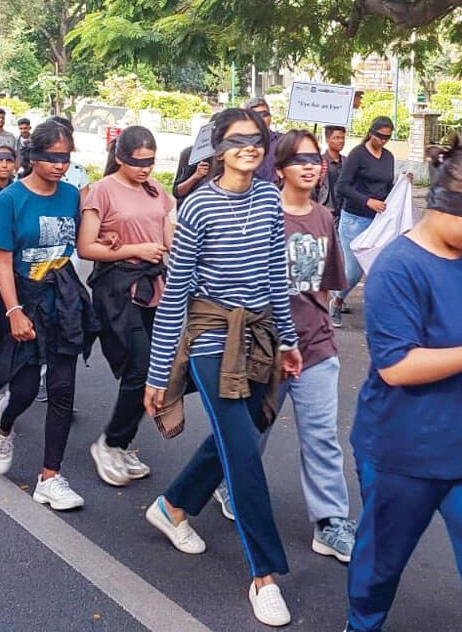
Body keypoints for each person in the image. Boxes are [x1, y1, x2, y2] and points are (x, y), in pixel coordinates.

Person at [346, 141, 462, 632]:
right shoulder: (397, 267)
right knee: (379, 567)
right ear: (444, 201)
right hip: (403, 455)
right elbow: (395, 367)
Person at [142, 108, 302, 628]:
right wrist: (158, 374)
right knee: (245, 456)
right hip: (212, 339)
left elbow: (276, 274)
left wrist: (288, 340)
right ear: (217, 147)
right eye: (237, 140)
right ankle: (264, 577)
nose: (250, 147)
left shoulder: (269, 199)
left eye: (257, 139)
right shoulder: (196, 207)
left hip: (259, 338)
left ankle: (172, 506)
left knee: (241, 436)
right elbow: (175, 297)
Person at [212, 129, 355, 563]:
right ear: (279, 169)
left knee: (322, 437)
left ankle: (330, 521)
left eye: (315, 160)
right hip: (263, 348)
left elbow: (328, 285)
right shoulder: (261, 214)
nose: (310, 167)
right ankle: (230, 485)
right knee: (253, 430)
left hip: (316, 348)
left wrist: (321, 329)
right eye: (299, 160)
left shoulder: (324, 218)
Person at [0, 119, 94, 511]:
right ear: (32, 156)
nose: (60, 165)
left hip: (63, 297)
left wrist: (108, 241)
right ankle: (5, 423)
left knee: (63, 388)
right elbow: (2, 260)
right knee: (27, 387)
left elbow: (80, 243)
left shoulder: (71, 195)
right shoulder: (10, 200)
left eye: (66, 158)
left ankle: (50, 477)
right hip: (24, 296)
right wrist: (13, 311)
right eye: (52, 157)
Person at [79, 126, 174, 487]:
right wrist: (135, 250)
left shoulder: (156, 190)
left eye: (150, 161)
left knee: (154, 371)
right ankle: (110, 443)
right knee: (139, 366)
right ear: (120, 158)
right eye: (138, 162)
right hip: (117, 287)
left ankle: (120, 443)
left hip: (153, 286)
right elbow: (86, 247)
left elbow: (169, 239)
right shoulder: (103, 190)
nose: (145, 168)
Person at [332, 116, 397, 325]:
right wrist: (367, 201)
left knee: (378, 267)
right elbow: (342, 186)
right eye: (380, 136)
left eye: (387, 137)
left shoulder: (388, 157)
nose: (383, 141)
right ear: (371, 133)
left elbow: (387, 187)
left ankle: (378, 312)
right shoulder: (357, 155)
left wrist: (403, 184)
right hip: (354, 219)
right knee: (354, 271)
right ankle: (337, 301)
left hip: (378, 221)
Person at [244, 98, 282, 183]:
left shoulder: (283, 141)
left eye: (265, 114)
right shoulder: (240, 144)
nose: (261, 118)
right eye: (256, 115)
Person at [321, 125, 346, 218]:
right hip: (325, 211)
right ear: (327, 140)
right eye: (336, 138)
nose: (341, 141)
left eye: (343, 138)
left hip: (343, 212)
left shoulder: (347, 162)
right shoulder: (320, 162)